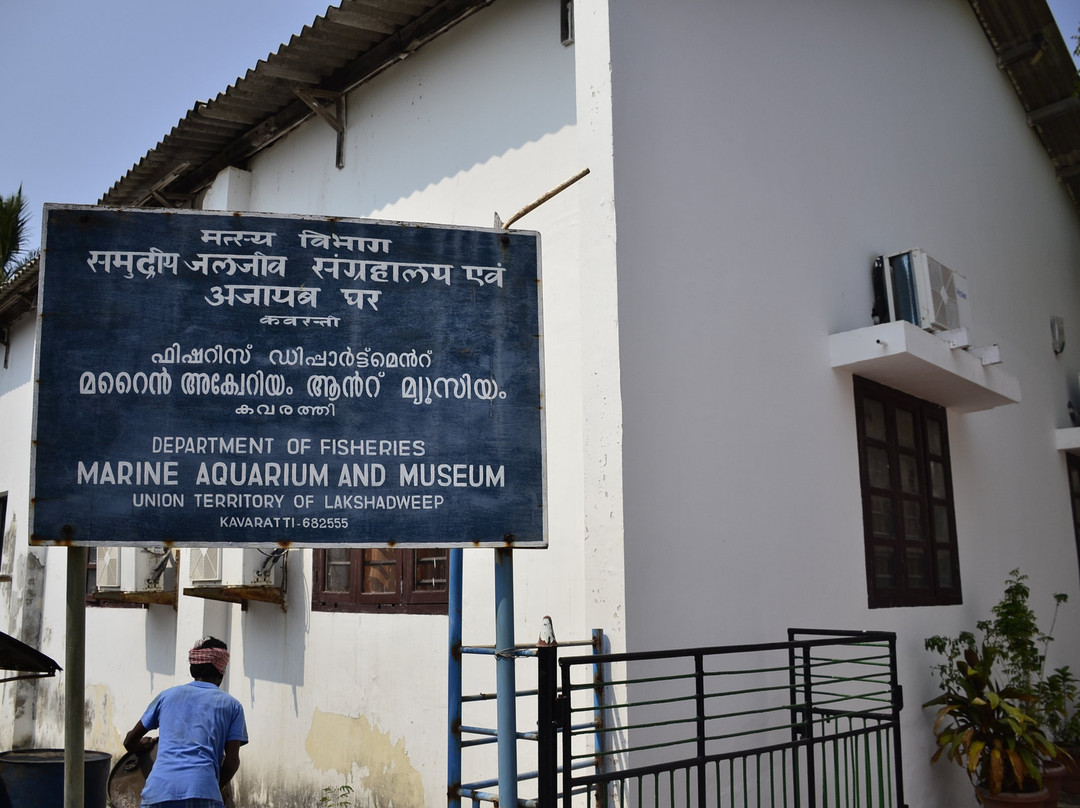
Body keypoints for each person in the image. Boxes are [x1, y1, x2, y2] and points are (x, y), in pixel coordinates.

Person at [124, 636, 248, 808]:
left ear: (192, 670)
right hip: (204, 793)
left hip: (158, 792)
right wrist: (213, 787)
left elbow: (130, 741)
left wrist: (141, 746)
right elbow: (232, 762)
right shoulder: (233, 706)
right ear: (221, 673)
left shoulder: (166, 697)